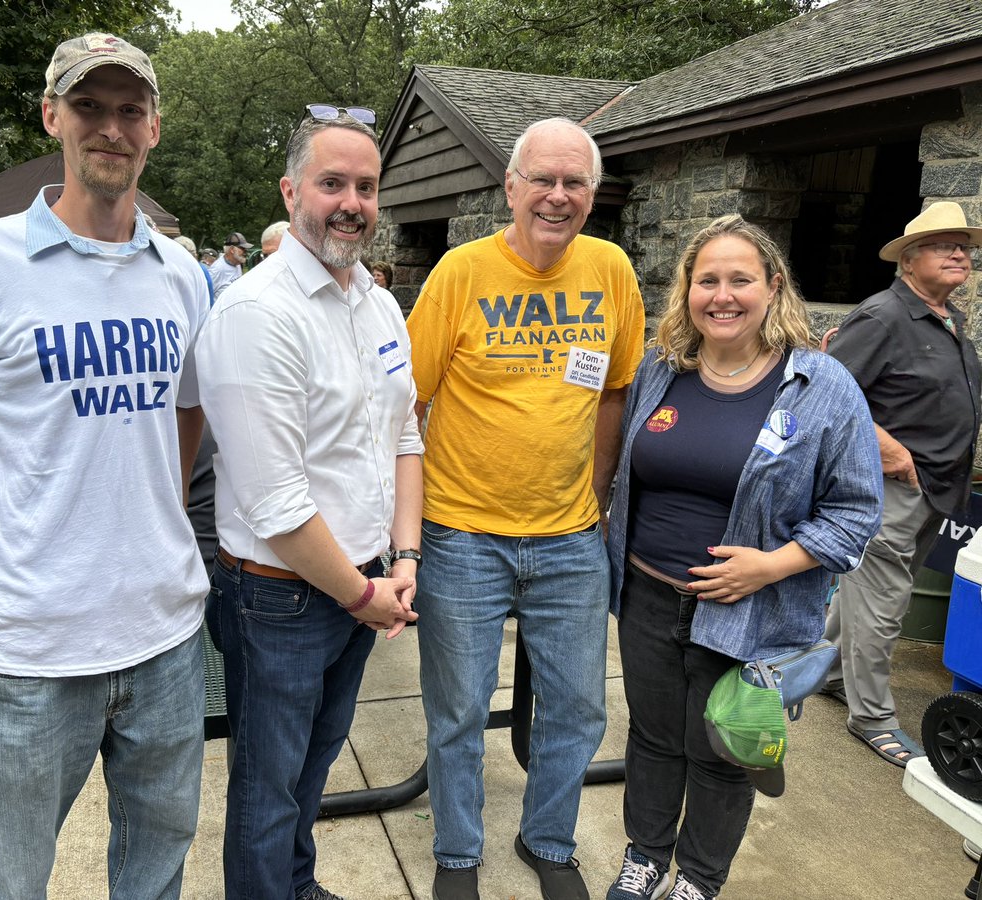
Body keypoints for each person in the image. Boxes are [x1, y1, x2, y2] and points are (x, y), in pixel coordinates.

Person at [0, 33, 210, 899]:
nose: (110, 127)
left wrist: (150, 511)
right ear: (52, 118)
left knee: (156, 867)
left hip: (165, 635)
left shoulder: (182, 273)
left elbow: (185, 412)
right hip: (30, 645)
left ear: (153, 128)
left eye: (129, 110)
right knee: (10, 875)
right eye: (88, 107)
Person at [604, 214, 882, 900]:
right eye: (707, 281)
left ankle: (698, 879)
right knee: (653, 737)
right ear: (687, 291)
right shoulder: (662, 369)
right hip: (645, 596)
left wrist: (771, 565)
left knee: (721, 751)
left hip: (746, 610)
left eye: (740, 280)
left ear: (773, 287)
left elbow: (856, 511)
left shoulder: (820, 386)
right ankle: (644, 856)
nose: (721, 296)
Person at [406, 117, 645, 900]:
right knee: (458, 713)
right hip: (462, 533)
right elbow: (406, 400)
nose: (557, 195)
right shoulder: (461, 273)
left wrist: (600, 496)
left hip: (571, 537)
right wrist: (404, 529)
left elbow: (615, 391)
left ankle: (548, 838)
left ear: (592, 193)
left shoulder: (610, 269)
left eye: (574, 182)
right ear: (510, 187)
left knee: (578, 709)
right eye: (541, 179)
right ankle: (457, 850)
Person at [196, 107, 423, 900]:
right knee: (266, 790)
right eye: (333, 183)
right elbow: (277, 503)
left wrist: (402, 561)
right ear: (292, 190)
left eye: (366, 185)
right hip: (281, 600)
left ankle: (294, 887)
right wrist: (367, 596)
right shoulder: (257, 314)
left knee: (313, 768)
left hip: (365, 585)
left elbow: (405, 438)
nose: (351, 201)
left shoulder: (379, 303)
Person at [823, 201, 982, 767]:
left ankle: (827, 671)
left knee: (866, 594)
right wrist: (885, 445)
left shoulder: (946, 316)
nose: (960, 252)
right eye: (945, 244)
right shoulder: (884, 316)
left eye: (963, 244)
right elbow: (824, 393)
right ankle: (873, 717)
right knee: (884, 604)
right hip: (888, 488)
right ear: (910, 259)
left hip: (936, 485)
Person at [209, 231, 253, 296]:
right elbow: (205, 295)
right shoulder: (217, 269)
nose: (245, 252)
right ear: (232, 249)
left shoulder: (237, 264)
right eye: (243, 248)